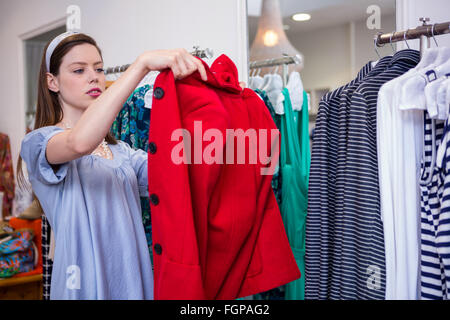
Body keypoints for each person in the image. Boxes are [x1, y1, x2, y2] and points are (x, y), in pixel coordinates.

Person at [17, 31, 208, 299]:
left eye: (98, 68)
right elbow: (78, 143)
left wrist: (209, 105)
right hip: (83, 286)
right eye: (79, 70)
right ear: (52, 81)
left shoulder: (123, 152)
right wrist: (141, 65)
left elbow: (178, 169)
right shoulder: (39, 143)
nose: (93, 76)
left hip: (133, 282)